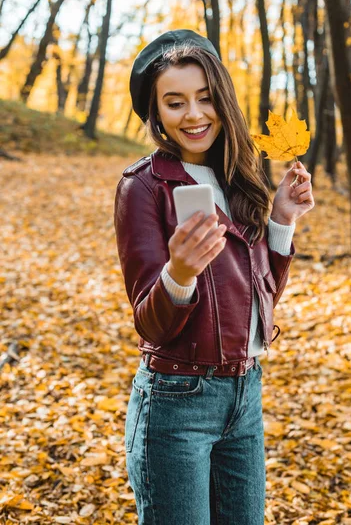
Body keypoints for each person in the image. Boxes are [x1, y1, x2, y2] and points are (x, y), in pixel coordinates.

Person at [114, 29, 314, 525]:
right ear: (156, 113)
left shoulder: (238, 178)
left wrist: (282, 219)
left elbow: (258, 299)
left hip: (245, 396)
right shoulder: (143, 187)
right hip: (176, 403)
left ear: (222, 100)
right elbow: (150, 324)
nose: (195, 115)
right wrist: (178, 274)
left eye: (205, 98)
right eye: (175, 102)